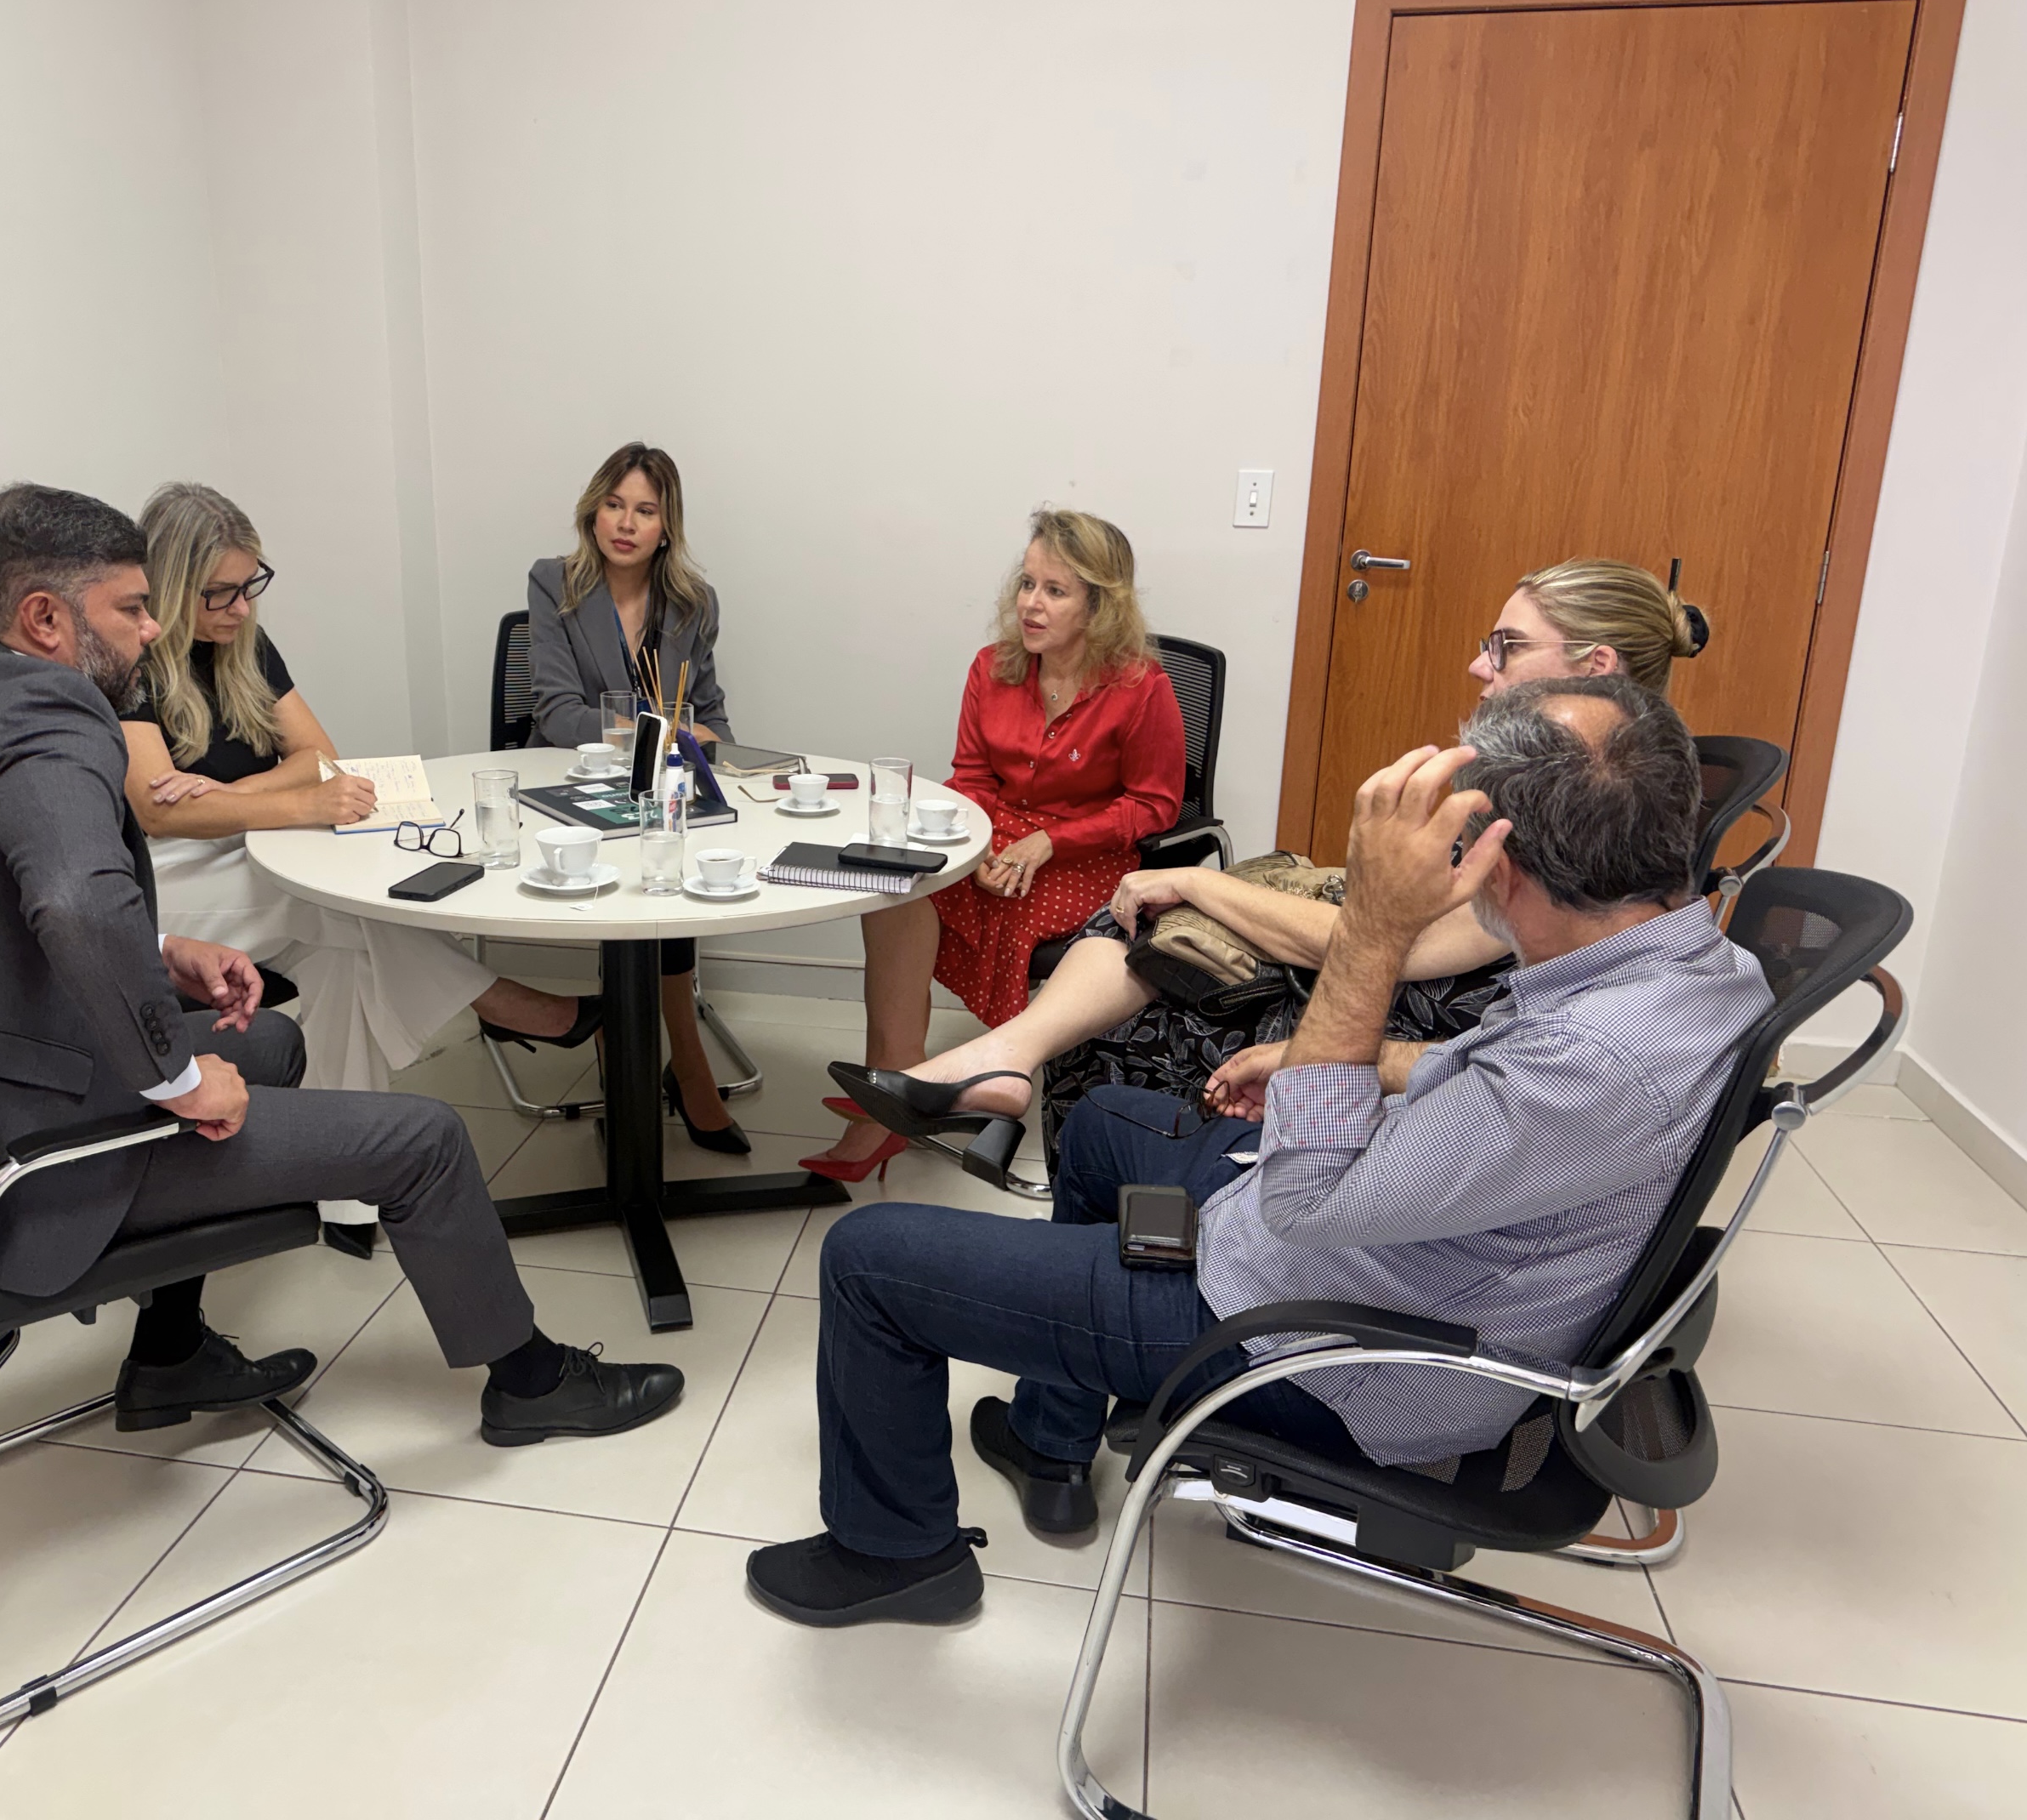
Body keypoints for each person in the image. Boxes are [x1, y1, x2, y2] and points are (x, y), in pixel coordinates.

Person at [746, 677, 1771, 1625]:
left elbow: (1306, 1202)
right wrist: (1343, 1065)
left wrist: (1372, 922)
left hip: (1320, 1348)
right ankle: (1050, 1442)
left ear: (1493, 865)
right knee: (1104, 1124)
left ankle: (898, 1556)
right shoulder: (1695, 962)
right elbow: (1495, 1098)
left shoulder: (1591, 1062)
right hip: (1378, 1253)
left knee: (870, 1260)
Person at [0, 483, 683, 1445]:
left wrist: (161, 952)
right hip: (23, 1171)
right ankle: (528, 1383)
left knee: (270, 1038)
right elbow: (72, 902)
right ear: (43, 619)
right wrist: (176, 1079)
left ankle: (170, 1348)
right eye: (130, 609)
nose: (154, 633)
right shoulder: (49, 714)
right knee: (426, 1138)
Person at [834, 559, 1709, 1169]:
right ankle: (1007, 1063)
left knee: (1148, 953)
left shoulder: (1566, 809)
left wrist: (1204, 882)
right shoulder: (1598, 773)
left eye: (1508, 647)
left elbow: (1392, 949)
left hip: (1412, 1010)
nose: (1478, 663)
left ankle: (1096, 1207)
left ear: (1595, 666)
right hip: (1398, 971)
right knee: (1147, 916)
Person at [120, 483, 602, 1094]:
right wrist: (293, 801)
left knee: (342, 961)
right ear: (167, 582)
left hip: (247, 845)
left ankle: (345, 1166)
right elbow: (160, 816)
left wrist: (226, 796)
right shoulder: (129, 666)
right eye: (220, 593)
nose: (241, 608)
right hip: (165, 879)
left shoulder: (242, 646)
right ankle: (513, 1007)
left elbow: (321, 755)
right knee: (335, 903)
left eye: (249, 587)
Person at [802, 509, 1183, 1183]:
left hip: (1086, 858)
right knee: (897, 887)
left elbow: (1155, 804)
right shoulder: (993, 668)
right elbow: (971, 779)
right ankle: (897, 1085)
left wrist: (1048, 842)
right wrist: (974, 854)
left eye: (1055, 591)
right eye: (1027, 584)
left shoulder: (1141, 688)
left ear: (1099, 605)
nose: (1031, 605)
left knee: (1014, 907)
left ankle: (935, 1089)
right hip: (994, 838)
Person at [526, 441, 745, 1152]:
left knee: (668, 859)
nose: (625, 523)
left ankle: (656, 1055)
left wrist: (685, 733)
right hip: (571, 786)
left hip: (659, 789)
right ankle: (685, 1060)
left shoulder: (692, 603)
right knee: (658, 859)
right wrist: (665, 728)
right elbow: (557, 716)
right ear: (593, 511)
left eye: (644, 510)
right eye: (613, 505)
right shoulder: (554, 583)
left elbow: (714, 719)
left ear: (666, 525)